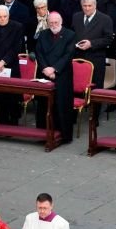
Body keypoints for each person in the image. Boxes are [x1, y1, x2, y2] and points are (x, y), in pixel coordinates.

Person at [35, 12, 76, 143]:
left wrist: (54, 69)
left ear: (61, 22)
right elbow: (39, 53)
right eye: (51, 23)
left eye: (56, 23)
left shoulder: (70, 35)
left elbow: (68, 55)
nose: (53, 25)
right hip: (45, 74)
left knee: (61, 105)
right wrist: (46, 69)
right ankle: (43, 133)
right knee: (44, 105)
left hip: (62, 75)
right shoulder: (43, 34)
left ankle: (63, 135)